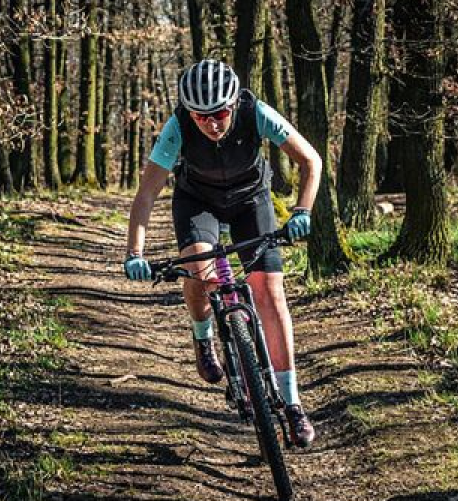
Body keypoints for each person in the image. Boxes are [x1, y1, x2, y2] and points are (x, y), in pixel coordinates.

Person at [122, 58, 321, 447]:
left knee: (269, 292)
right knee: (201, 268)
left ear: (233, 104)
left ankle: (293, 404)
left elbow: (310, 160)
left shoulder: (255, 111)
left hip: (251, 200)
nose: (211, 124)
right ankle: (203, 336)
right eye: (201, 117)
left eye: (220, 114)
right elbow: (146, 193)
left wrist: (303, 211)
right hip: (198, 203)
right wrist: (134, 252)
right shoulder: (178, 126)